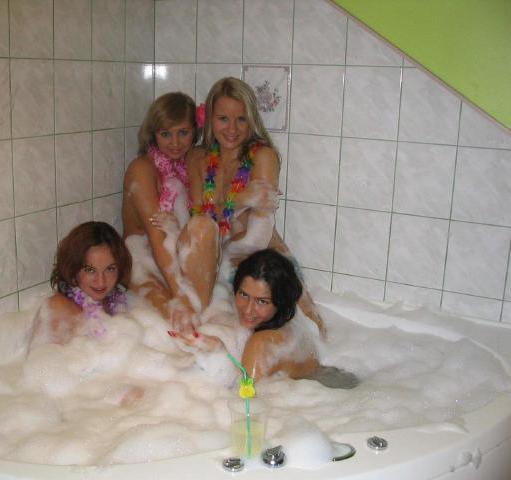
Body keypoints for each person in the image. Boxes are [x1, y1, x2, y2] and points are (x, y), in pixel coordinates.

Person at [185, 77, 326, 338]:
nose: (232, 129)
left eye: (241, 119)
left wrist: (228, 215)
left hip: (262, 264)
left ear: (251, 120)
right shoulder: (196, 157)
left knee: (310, 332)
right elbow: (198, 219)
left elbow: (257, 236)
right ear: (210, 119)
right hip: (213, 265)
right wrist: (240, 199)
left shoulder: (263, 157)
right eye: (223, 118)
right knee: (208, 331)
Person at [122, 92, 219, 340]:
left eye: (183, 132)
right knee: (177, 325)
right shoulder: (142, 169)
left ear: (194, 131)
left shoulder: (187, 165)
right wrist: (180, 297)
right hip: (144, 265)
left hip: (177, 262)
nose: (175, 142)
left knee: (203, 319)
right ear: (153, 134)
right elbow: (158, 239)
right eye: (165, 134)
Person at [233, 249, 358, 388]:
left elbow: (246, 399)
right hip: (332, 382)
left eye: (262, 301)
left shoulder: (260, 345)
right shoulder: (295, 323)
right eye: (243, 294)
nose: (248, 309)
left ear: (280, 302)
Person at [30, 221, 132, 346]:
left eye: (110, 269)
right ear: (73, 269)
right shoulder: (58, 309)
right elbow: (44, 357)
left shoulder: (115, 302)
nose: (101, 281)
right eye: (90, 270)